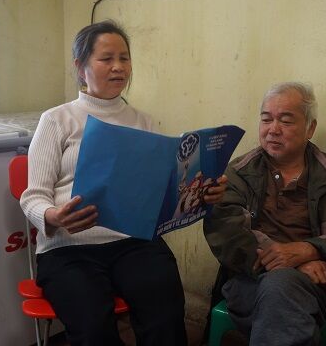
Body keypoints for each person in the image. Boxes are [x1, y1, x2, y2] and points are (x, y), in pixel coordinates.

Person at [20, 20, 227, 346]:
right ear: (81, 67)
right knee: (92, 328)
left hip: (134, 243)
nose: (118, 67)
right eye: (106, 58)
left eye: (124, 58)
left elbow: (160, 191)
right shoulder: (57, 120)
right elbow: (33, 196)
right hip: (69, 248)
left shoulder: (143, 121)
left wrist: (200, 193)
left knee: (166, 317)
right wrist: (53, 216)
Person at [203, 82, 326, 345]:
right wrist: (293, 262)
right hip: (249, 280)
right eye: (266, 119)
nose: (273, 129)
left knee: (282, 294)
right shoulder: (238, 173)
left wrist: (310, 249)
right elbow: (227, 233)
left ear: (310, 128)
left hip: (318, 284)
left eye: (286, 120)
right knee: (280, 288)